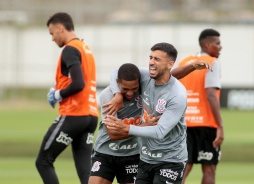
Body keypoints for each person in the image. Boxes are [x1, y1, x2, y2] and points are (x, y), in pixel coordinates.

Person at [104, 42, 211, 184]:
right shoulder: (145, 76)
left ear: (169, 64)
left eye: (157, 59)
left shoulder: (177, 94)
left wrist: (126, 128)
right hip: (146, 159)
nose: (151, 63)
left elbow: (160, 131)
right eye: (151, 58)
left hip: (170, 160)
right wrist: (117, 94)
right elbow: (116, 72)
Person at [35, 12, 98, 184]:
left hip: (74, 114)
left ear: (60, 28)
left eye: (52, 33)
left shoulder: (70, 49)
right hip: (91, 116)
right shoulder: (86, 49)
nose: (52, 38)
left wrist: (57, 94)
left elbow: (78, 84)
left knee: (43, 161)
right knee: (86, 170)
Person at [89, 63, 159, 184]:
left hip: (133, 154)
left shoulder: (146, 90)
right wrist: (145, 127)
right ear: (117, 83)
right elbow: (113, 134)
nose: (130, 93)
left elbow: (168, 76)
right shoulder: (108, 95)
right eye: (125, 89)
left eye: (134, 89)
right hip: (105, 152)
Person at [171, 28, 224, 184]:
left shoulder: (184, 62)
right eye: (218, 43)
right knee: (209, 168)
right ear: (207, 45)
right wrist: (220, 125)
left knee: (184, 167)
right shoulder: (212, 62)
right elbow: (211, 94)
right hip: (206, 124)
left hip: (184, 123)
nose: (220, 47)